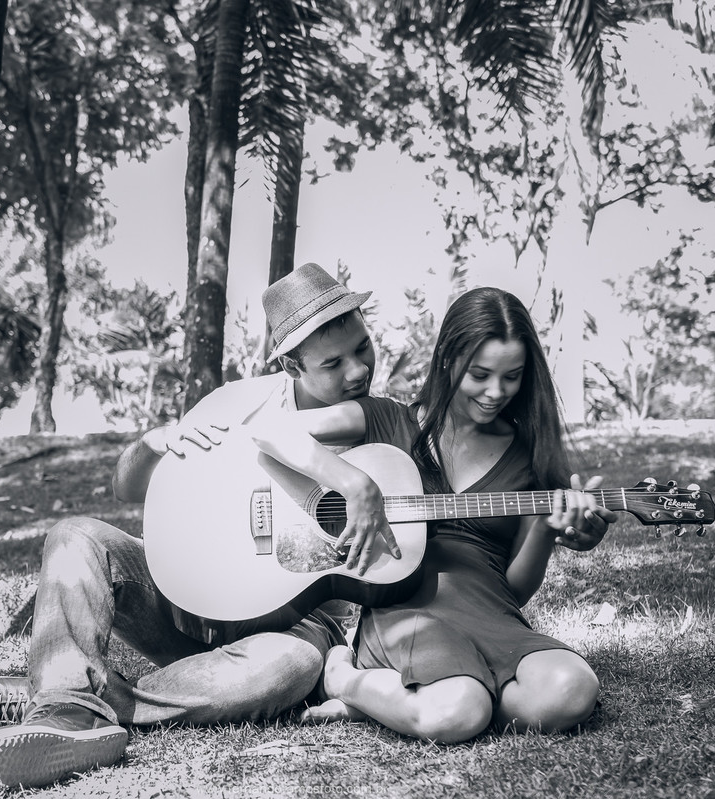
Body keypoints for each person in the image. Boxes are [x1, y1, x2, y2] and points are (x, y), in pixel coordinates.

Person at [0, 263, 400, 788]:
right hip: (189, 602)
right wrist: (151, 444)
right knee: (74, 536)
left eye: (363, 348)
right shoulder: (239, 401)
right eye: (334, 362)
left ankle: (64, 701)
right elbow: (128, 489)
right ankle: (66, 707)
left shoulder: (384, 426)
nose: (356, 371)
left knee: (292, 667)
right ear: (291, 365)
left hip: (290, 627)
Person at [243, 285, 617, 744]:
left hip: (490, 614)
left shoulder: (529, 457)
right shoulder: (386, 419)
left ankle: (410, 701)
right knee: (458, 711)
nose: (495, 392)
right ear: (447, 360)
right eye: (479, 374)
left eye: (512, 376)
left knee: (572, 691)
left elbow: (513, 590)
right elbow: (268, 430)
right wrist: (354, 484)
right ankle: (343, 677)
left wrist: (547, 527)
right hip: (406, 611)